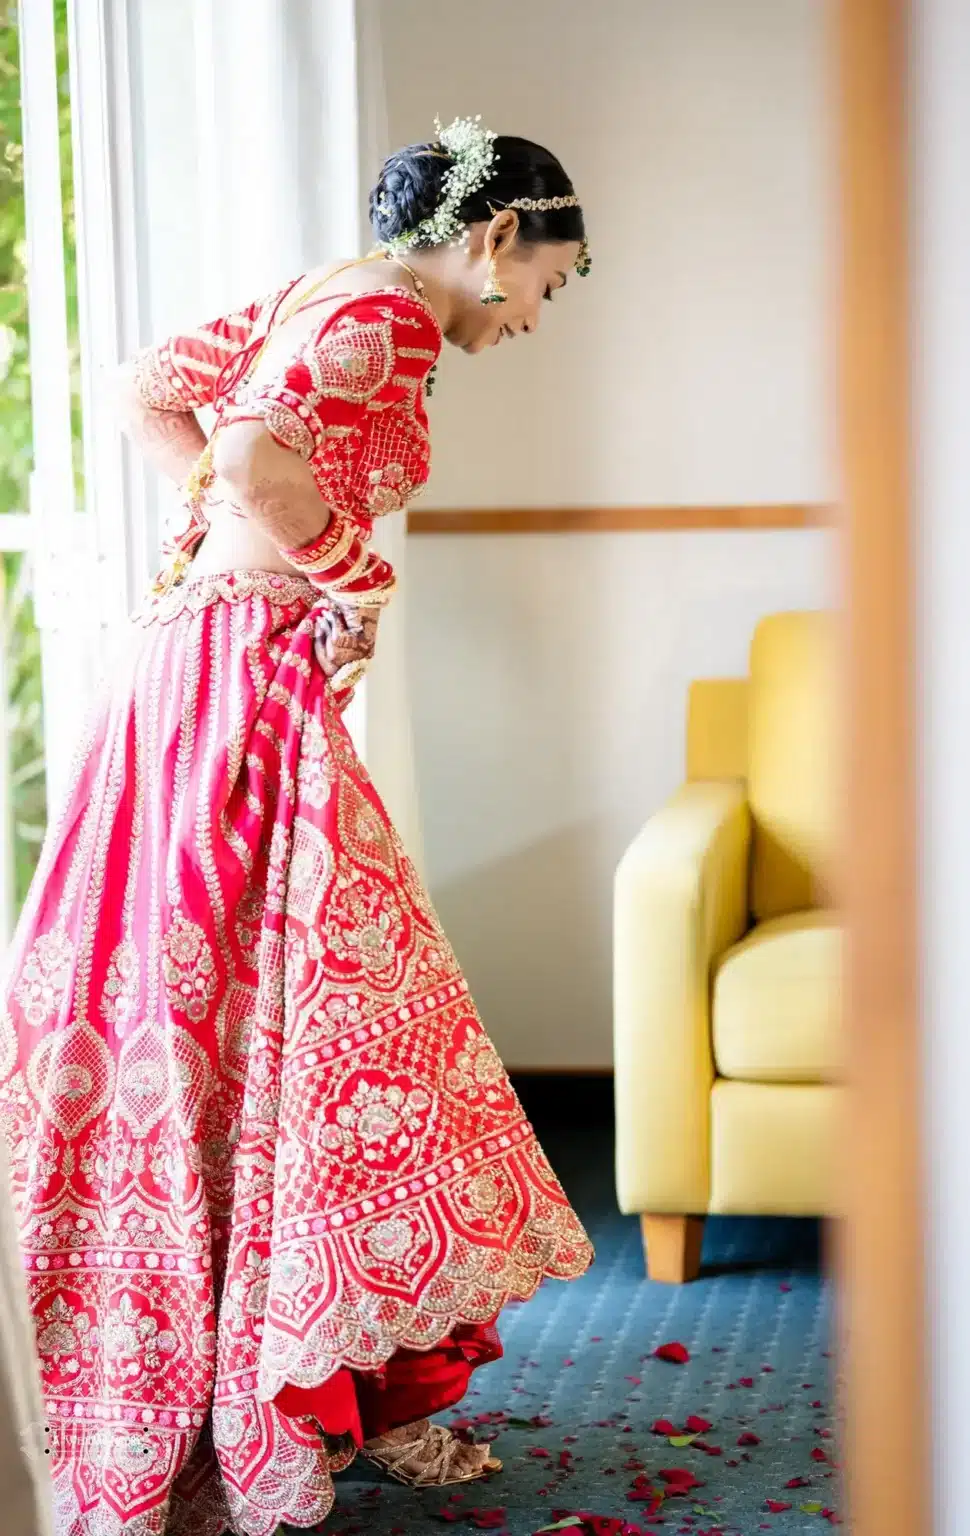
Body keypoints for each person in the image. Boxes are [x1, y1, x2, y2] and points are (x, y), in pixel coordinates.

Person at [0, 117, 593, 1536]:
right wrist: (343, 582)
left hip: (192, 669)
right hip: (239, 680)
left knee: (263, 1015)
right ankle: (290, 1386)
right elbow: (261, 460)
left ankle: (304, 1379)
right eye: (551, 283)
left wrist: (216, 560)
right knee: (303, 1018)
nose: (535, 316)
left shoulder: (321, 290)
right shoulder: (387, 315)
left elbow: (157, 392)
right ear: (500, 234)